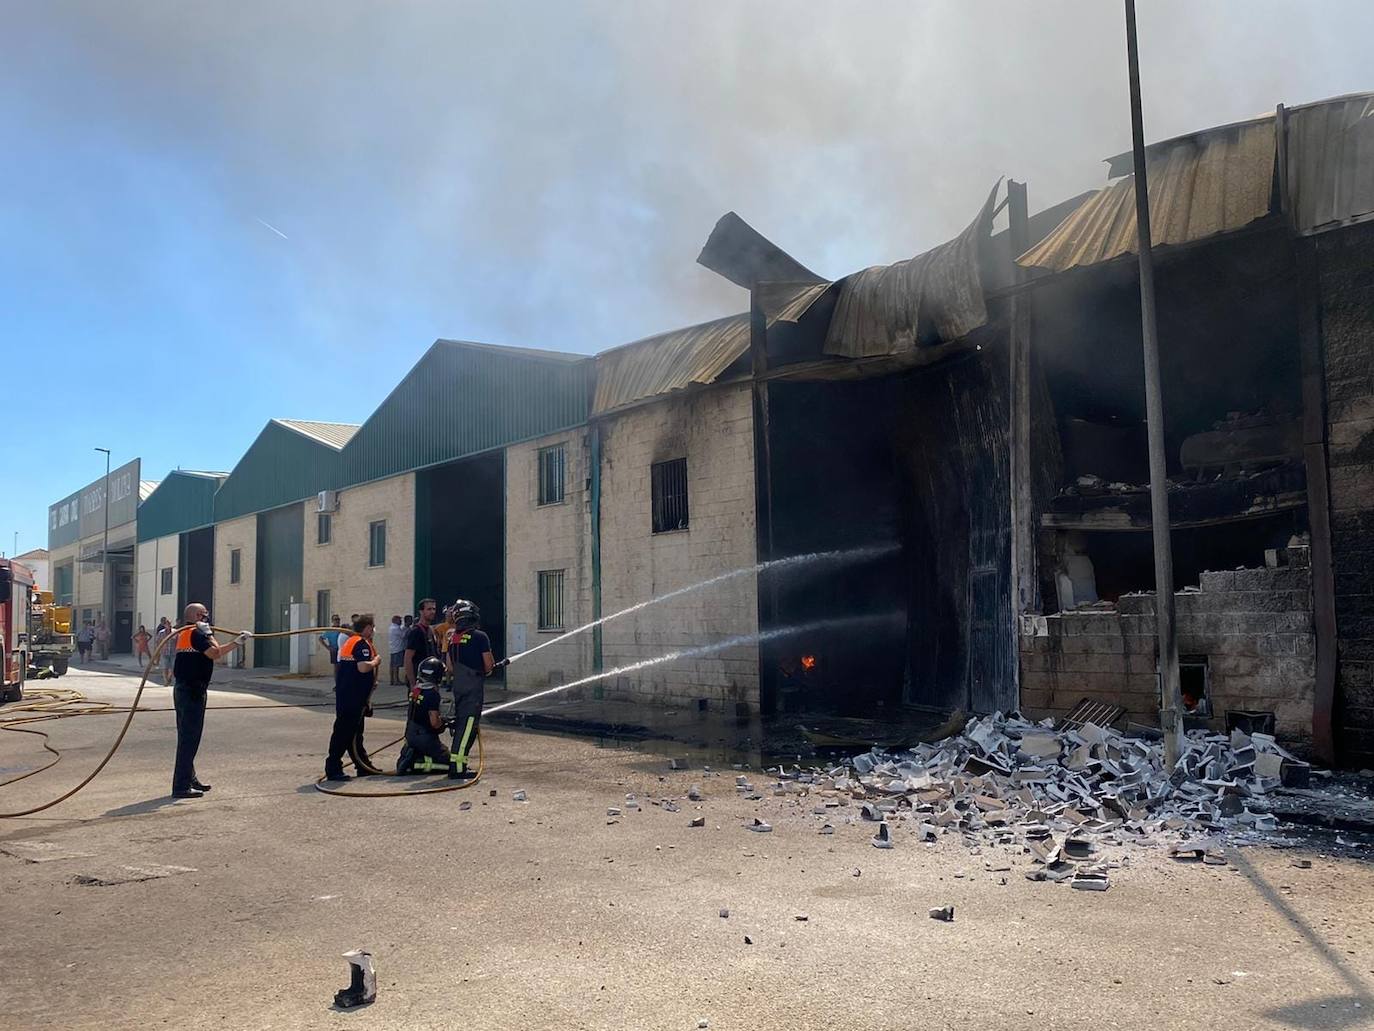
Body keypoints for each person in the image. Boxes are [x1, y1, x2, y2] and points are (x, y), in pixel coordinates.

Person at [170, 603, 250, 798]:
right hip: (191, 691)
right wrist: (237, 642)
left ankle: (190, 778)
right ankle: (181, 786)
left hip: (185, 689)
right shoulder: (195, 633)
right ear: (198, 615)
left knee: (187, 737)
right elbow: (215, 653)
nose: (208, 616)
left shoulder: (190, 633)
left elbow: (211, 649)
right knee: (189, 739)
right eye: (205, 614)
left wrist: (209, 634)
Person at [444, 599, 505, 780]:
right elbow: (488, 665)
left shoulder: (452, 638)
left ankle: (458, 764)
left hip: (459, 688)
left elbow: (450, 667)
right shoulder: (480, 637)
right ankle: (457, 768)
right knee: (468, 728)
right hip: (473, 690)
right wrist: (490, 667)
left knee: (462, 726)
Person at [324, 614, 380, 782]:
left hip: (351, 696)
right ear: (368, 628)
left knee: (355, 734)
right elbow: (363, 668)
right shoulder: (360, 644)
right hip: (352, 697)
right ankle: (333, 767)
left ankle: (363, 765)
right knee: (344, 733)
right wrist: (376, 661)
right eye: (373, 627)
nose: (374, 631)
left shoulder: (351, 641)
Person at [396, 656, 451, 774]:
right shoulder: (432, 694)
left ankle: (411, 756)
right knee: (449, 763)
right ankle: (414, 764)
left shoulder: (416, 690)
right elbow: (435, 723)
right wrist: (445, 722)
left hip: (411, 736)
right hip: (426, 738)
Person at [403, 598, 439, 689]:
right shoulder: (416, 632)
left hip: (431, 679)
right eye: (429, 609)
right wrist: (412, 683)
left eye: (434, 609)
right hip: (419, 680)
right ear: (421, 611)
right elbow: (408, 659)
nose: (432, 612)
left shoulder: (431, 630)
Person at [157, 616, 177, 686]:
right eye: (167, 623)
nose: (169, 625)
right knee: (165, 667)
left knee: (173, 667)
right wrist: (159, 650)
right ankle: (166, 681)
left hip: (173, 652)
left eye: (170, 623)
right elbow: (158, 642)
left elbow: (178, 641)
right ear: (165, 625)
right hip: (164, 652)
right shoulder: (161, 633)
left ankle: (169, 677)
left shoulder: (175, 632)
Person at [386, 615, 405, 686]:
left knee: (392, 665)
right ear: (395, 620)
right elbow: (403, 635)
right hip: (398, 648)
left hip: (393, 648)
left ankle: (392, 680)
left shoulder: (391, 627)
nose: (401, 621)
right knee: (396, 665)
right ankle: (396, 680)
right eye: (399, 620)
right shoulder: (396, 628)